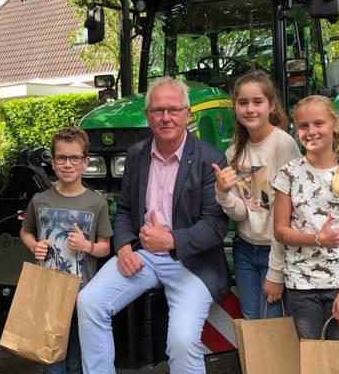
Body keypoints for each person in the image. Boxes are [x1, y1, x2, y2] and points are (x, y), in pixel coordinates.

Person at [77, 77, 229, 374]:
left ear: (187, 114)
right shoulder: (137, 155)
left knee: (182, 343)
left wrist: (171, 240)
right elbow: (124, 210)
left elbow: (215, 226)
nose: (166, 117)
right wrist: (122, 248)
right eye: (158, 111)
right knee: (89, 303)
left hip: (192, 262)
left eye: (173, 110)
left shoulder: (209, 159)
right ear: (148, 116)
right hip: (142, 256)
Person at [271, 95, 339, 340]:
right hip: (300, 286)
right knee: (311, 358)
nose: (311, 131)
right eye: (304, 126)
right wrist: (317, 239)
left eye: (319, 124)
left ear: (334, 125)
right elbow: (280, 231)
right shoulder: (289, 173)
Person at [20, 126, 113, 374]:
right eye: (61, 158)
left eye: (74, 158)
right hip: (47, 294)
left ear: (85, 162)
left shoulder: (97, 203)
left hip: (82, 296)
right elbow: (26, 231)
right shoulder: (40, 201)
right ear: (52, 162)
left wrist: (88, 246)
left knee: (77, 361)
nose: (68, 164)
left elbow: (105, 247)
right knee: (51, 364)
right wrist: (34, 246)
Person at [212, 71, 301, 319]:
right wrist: (222, 192)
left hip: (275, 251)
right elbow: (246, 212)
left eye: (257, 102)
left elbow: (289, 214)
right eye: (243, 103)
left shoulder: (282, 145)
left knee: (273, 322)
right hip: (245, 250)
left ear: (271, 106)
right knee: (251, 321)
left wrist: (276, 271)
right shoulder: (234, 153)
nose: (250, 109)